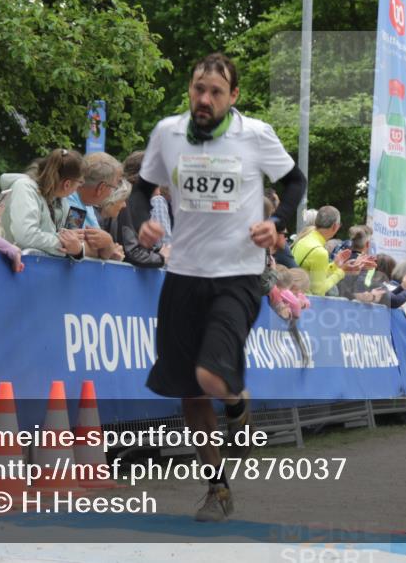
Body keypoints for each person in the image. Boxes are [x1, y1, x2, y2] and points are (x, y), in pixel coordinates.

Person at [128, 53, 306, 521]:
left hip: (238, 275)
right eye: (197, 89)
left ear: (234, 96)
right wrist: (142, 222)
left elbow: (295, 182)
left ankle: (236, 402)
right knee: (190, 391)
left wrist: (276, 223)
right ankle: (218, 488)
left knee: (212, 377)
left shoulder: (255, 135)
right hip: (184, 274)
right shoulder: (168, 133)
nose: (204, 99)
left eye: (215, 92)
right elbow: (140, 190)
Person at [0, 149, 87, 258]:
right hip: (8, 268)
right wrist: (64, 243)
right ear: (67, 184)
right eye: (80, 183)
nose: (79, 188)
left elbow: (73, 239)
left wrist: (78, 250)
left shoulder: (61, 201)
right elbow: (26, 236)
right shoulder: (24, 188)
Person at [292, 205, 369, 296]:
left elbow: (315, 274)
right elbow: (318, 291)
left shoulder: (305, 238)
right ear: (335, 226)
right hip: (304, 303)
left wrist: (335, 265)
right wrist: (341, 271)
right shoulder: (319, 252)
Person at [66, 152, 123, 259]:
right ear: (101, 188)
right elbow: (71, 245)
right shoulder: (69, 198)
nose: (112, 193)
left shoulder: (87, 204)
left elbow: (97, 248)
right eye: (113, 188)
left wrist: (107, 247)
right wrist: (108, 246)